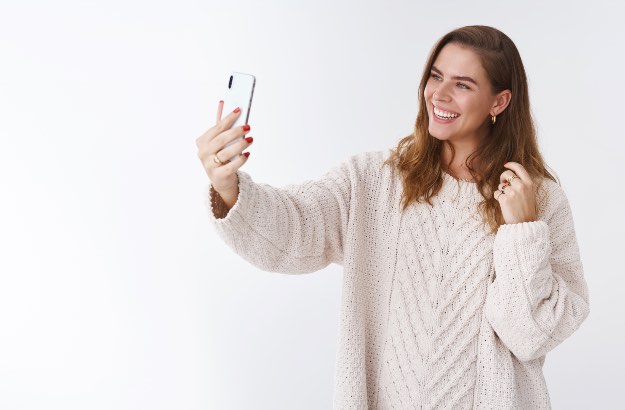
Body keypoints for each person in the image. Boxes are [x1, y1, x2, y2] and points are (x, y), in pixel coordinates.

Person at [196, 25, 590, 410]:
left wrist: (521, 232)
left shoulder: (539, 200)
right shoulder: (373, 179)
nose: (439, 94)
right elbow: (293, 231)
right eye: (435, 76)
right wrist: (228, 185)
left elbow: (530, 336)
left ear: (499, 102)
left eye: (463, 84)